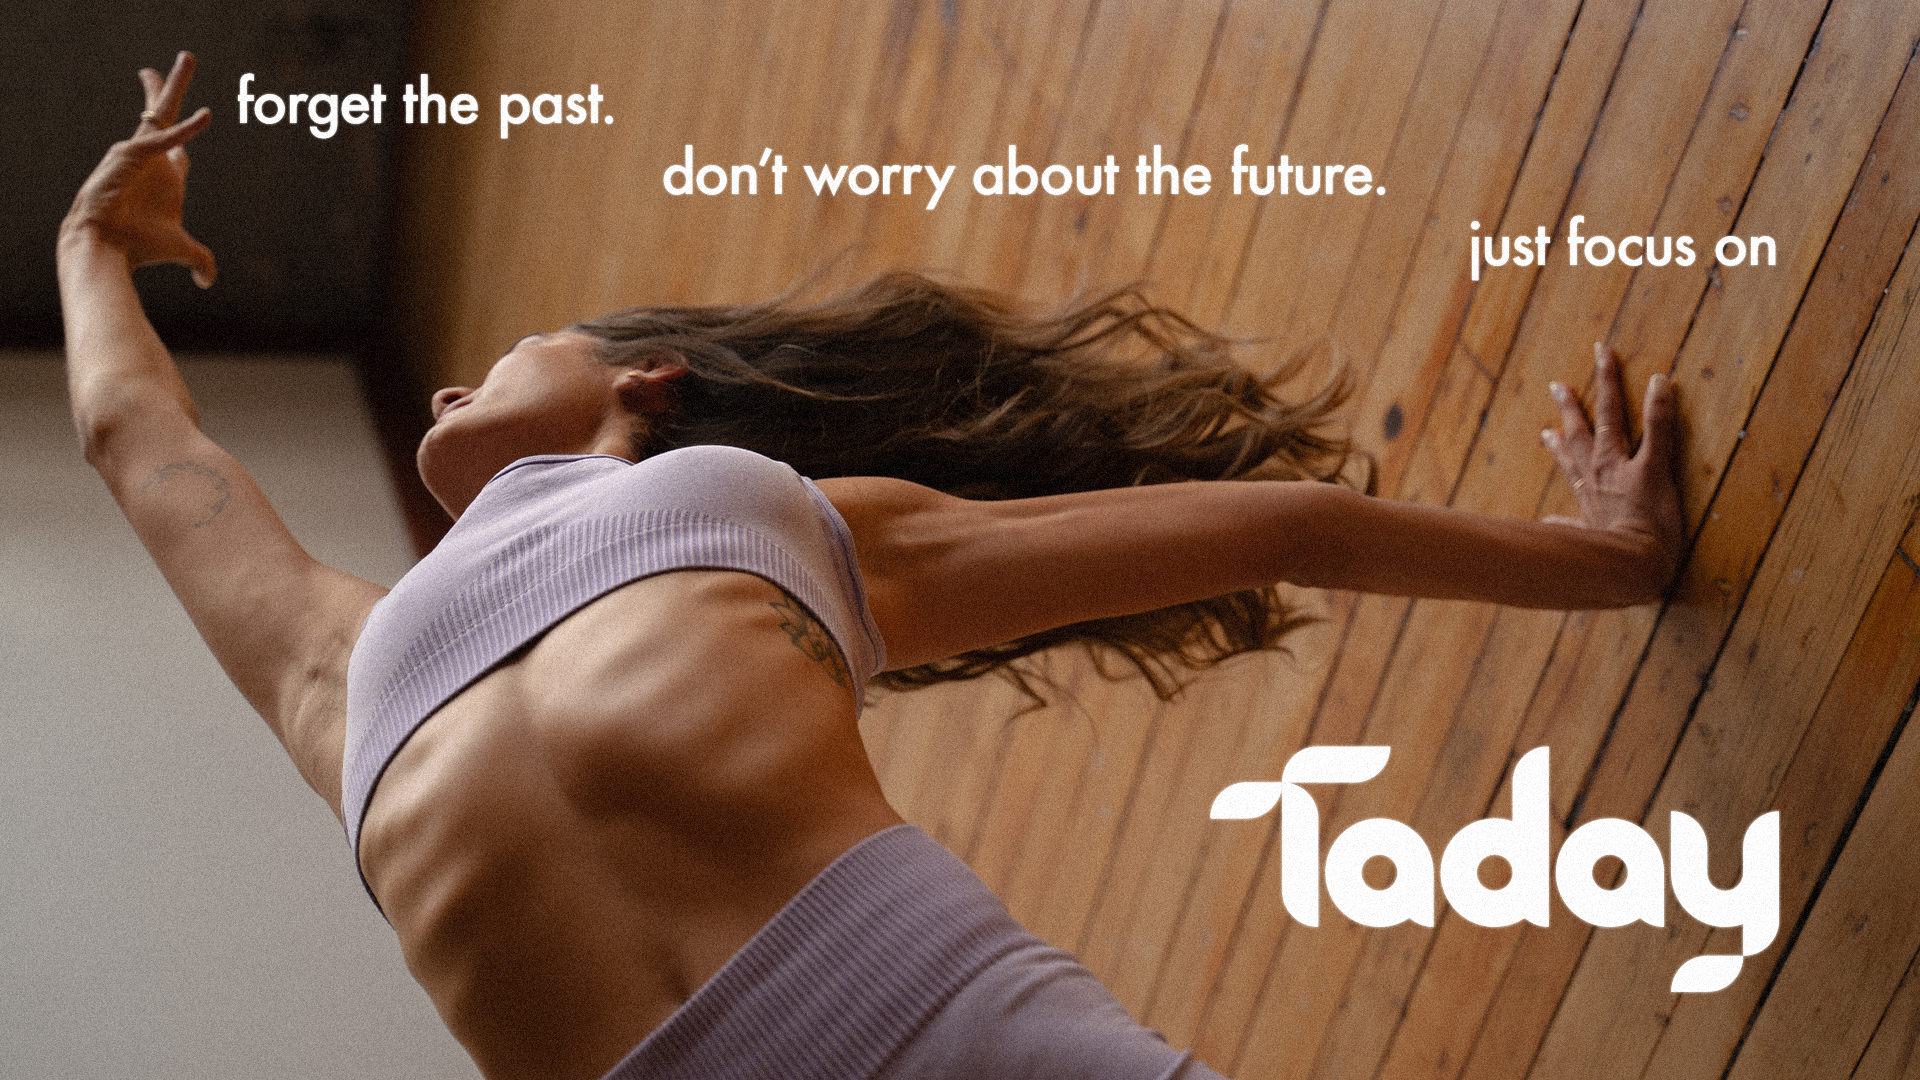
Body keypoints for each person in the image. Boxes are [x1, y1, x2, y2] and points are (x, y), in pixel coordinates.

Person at [59, 53, 1684, 1080]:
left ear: (650, 380)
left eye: (508, 353)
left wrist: (1610, 558)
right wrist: (90, 244)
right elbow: (146, 445)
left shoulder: (769, 512)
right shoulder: (349, 671)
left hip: (959, 1029)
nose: (447, 388)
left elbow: (1274, 525)